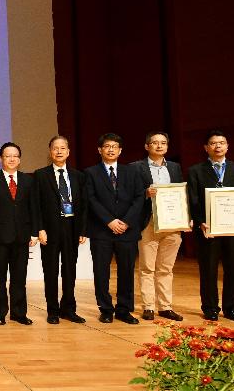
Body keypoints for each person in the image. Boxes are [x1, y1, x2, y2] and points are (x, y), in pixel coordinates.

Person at [187, 130, 234, 322]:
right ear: (206, 148)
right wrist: (201, 221)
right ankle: (210, 308)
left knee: (233, 269)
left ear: (227, 146)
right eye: (213, 143)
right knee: (208, 269)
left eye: (221, 143)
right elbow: (193, 200)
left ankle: (232, 308)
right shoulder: (196, 170)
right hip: (208, 229)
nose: (218, 146)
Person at [84, 133, 144, 325]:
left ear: (120, 150)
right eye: (107, 146)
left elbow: (139, 198)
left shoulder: (132, 172)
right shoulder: (90, 173)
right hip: (102, 230)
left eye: (114, 146)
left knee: (127, 271)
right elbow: (90, 199)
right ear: (99, 150)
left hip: (127, 231)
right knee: (101, 271)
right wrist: (109, 221)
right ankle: (106, 309)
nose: (111, 149)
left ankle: (124, 309)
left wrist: (126, 222)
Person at [0, 142, 39, 326]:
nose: (12, 159)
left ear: (19, 159)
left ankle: (18, 313)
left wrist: (34, 233)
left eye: (15, 156)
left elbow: (34, 209)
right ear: (1, 159)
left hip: (22, 236)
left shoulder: (28, 180)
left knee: (19, 277)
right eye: (8, 156)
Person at [131, 132, 186, 322]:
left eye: (163, 143)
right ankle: (148, 307)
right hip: (149, 222)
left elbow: (182, 194)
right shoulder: (136, 168)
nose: (159, 146)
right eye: (155, 143)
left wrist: (187, 218)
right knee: (147, 267)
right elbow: (130, 195)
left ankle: (165, 306)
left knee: (166, 268)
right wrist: (145, 193)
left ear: (167, 147)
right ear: (147, 146)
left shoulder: (175, 167)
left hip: (173, 223)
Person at [33, 135, 88, 325]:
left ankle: (69, 309)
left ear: (68, 152)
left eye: (62, 148)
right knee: (50, 271)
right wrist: (39, 228)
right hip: (49, 230)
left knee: (69, 270)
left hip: (72, 228)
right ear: (50, 152)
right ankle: (52, 311)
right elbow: (36, 206)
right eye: (55, 148)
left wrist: (82, 230)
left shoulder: (78, 176)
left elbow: (84, 205)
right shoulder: (40, 175)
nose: (59, 151)